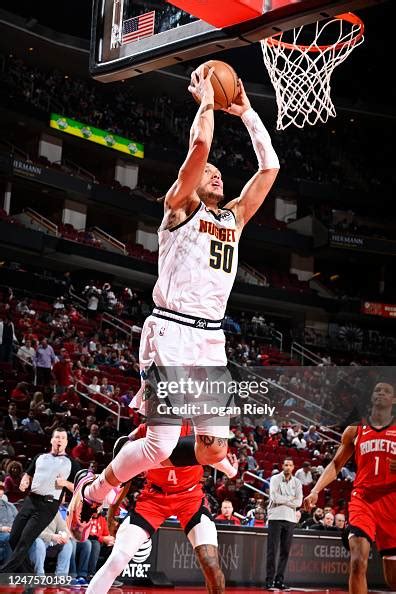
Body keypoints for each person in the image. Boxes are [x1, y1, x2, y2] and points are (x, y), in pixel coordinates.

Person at [69, 64, 279, 533]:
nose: (217, 174)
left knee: (214, 451)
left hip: (210, 341)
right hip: (171, 329)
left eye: (221, 173)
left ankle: (103, 481)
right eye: (210, 173)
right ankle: (98, 489)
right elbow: (200, 147)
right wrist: (207, 101)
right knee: (161, 446)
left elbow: (270, 168)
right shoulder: (179, 208)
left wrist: (245, 113)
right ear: (193, 181)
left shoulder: (235, 219)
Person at [85, 422, 238, 594]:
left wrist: (232, 471)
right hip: (153, 498)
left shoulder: (197, 428)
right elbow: (125, 471)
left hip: (190, 497)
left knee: (210, 562)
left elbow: (216, 457)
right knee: (117, 560)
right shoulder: (146, 429)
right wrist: (112, 512)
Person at [304, 382, 396, 594]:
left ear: (393, 400)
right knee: (357, 562)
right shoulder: (355, 429)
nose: (380, 392)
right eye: (377, 390)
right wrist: (315, 490)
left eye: (387, 391)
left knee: (393, 579)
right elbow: (336, 465)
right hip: (363, 500)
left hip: (391, 502)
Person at [0, 427, 78, 573]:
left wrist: (66, 484)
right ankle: (29, 573)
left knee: (25, 540)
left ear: (66, 442)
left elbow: (80, 489)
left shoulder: (71, 463)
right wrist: (25, 480)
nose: (59, 440)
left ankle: (3, 572)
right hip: (30, 500)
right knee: (14, 537)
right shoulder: (40, 457)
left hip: (48, 505)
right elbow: (28, 474)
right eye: (57, 437)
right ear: (51, 440)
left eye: (62, 438)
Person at [266, 458, 303, 590]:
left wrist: (285, 500)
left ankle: (279, 581)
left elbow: (299, 502)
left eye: (290, 465)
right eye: (285, 465)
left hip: (290, 519)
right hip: (275, 517)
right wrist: (290, 499)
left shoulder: (297, 482)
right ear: (282, 466)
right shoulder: (275, 479)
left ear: (293, 467)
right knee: (272, 550)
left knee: (285, 551)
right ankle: (269, 581)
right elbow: (274, 497)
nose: (287, 467)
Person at [28, 510, 73, 576]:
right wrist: (51, 536)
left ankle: (60, 577)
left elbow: (63, 528)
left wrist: (65, 535)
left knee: (68, 544)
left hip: (51, 542)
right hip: (37, 541)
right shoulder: (34, 509)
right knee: (39, 542)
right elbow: (32, 531)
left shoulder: (55, 511)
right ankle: (39, 576)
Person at [0, 482, 17, 563]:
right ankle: (7, 570)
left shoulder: (10, 506)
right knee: (9, 537)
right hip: (2, 533)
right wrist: (2, 528)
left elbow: (19, 520)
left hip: (12, 532)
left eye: (1, 489)